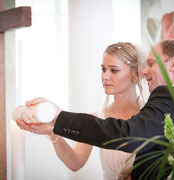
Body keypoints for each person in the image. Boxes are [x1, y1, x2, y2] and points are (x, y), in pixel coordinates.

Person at [16, 42, 148, 180]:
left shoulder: (152, 116)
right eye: (103, 69)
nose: (105, 77)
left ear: (136, 74)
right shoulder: (97, 119)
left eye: (114, 70)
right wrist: (52, 132)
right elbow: (75, 163)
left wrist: (139, 171)